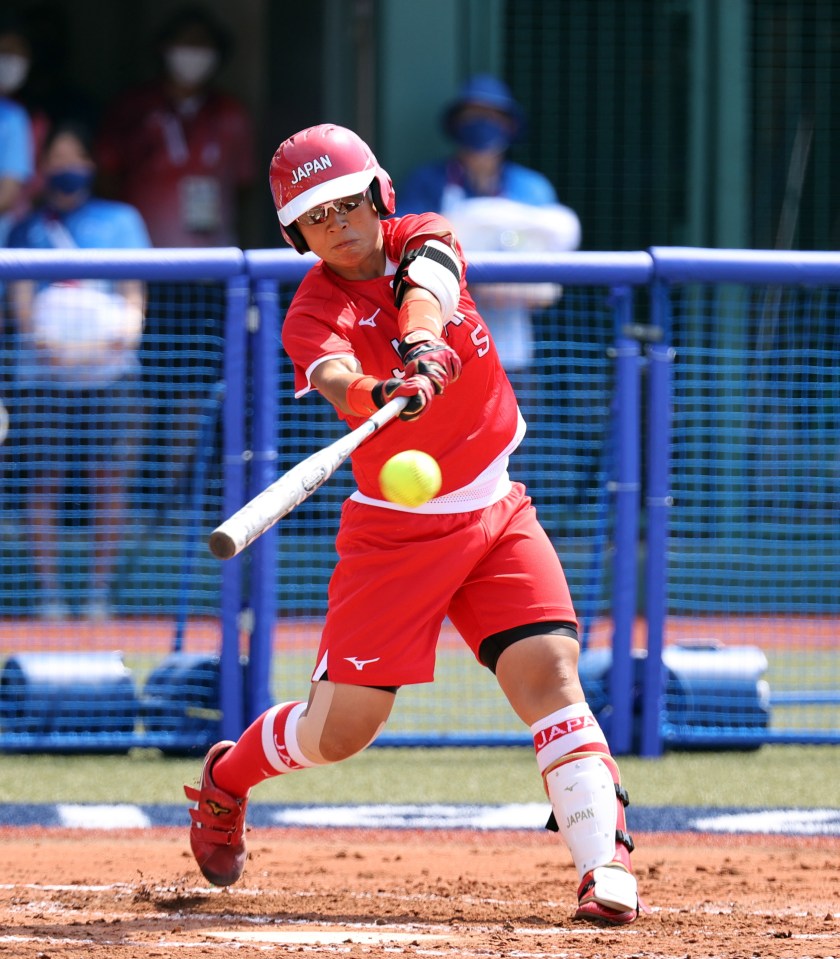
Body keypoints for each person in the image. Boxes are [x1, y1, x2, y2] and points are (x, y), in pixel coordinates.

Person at [183, 124, 643, 926]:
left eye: (348, 202)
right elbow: (329, 374)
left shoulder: (423, 236)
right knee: (342, 731)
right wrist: (372, 393)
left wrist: (422, 345)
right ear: (297, 235)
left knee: (551, 672)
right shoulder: (311, 309)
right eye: (317, 216)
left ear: (378, 195)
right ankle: (228, 777)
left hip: (496, 505)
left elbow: (428, 284)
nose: (340, 223)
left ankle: (604, 863)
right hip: (396, 533)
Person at [7, 120, 151, 621]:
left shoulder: (122, 220)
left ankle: (98, 598)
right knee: (42, 481)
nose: (65, 168)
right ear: (41, 168)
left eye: (75, 158)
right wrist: (50, 348)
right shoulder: (26, 227)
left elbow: (135, 298)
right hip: (43, 379)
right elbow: (21, 304)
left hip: (112, 377)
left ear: (91, 166)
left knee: (108, 481)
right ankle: (48, 598)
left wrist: (115, 340)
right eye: (55, 159)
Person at [398, 74, 581, 385]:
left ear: (509, 125)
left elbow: (549, 283)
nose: (481, 125)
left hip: (511, 350)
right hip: (441, 350)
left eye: (491, 116)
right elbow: (404, 249)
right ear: (457, 124)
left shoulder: (532, 188)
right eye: (473, 116)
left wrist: (500, 283)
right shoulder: (427, 182)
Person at [95, 3, 257, 249]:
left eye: (202, 44)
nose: (193, 52)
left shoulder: (230, 112)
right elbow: (107, 175)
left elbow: (243, 186)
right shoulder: (134, 108)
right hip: (144, 252)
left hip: (213, 254)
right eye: (185, 43)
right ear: (164, 48)